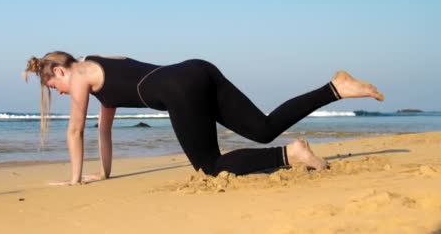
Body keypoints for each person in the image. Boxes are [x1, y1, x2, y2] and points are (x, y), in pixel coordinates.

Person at [24, 51, 384, 186]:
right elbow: (103, 130)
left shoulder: (81, 73)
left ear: (59, 69)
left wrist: (74, 182)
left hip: (179, 88)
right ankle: (335, 88)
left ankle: (289, 156)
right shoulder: (100, 64)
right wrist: (102, 173)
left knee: (210, 166)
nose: (58, 91)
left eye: (53, 84)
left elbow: (75, 131)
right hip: (196, 69)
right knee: (262, 128)